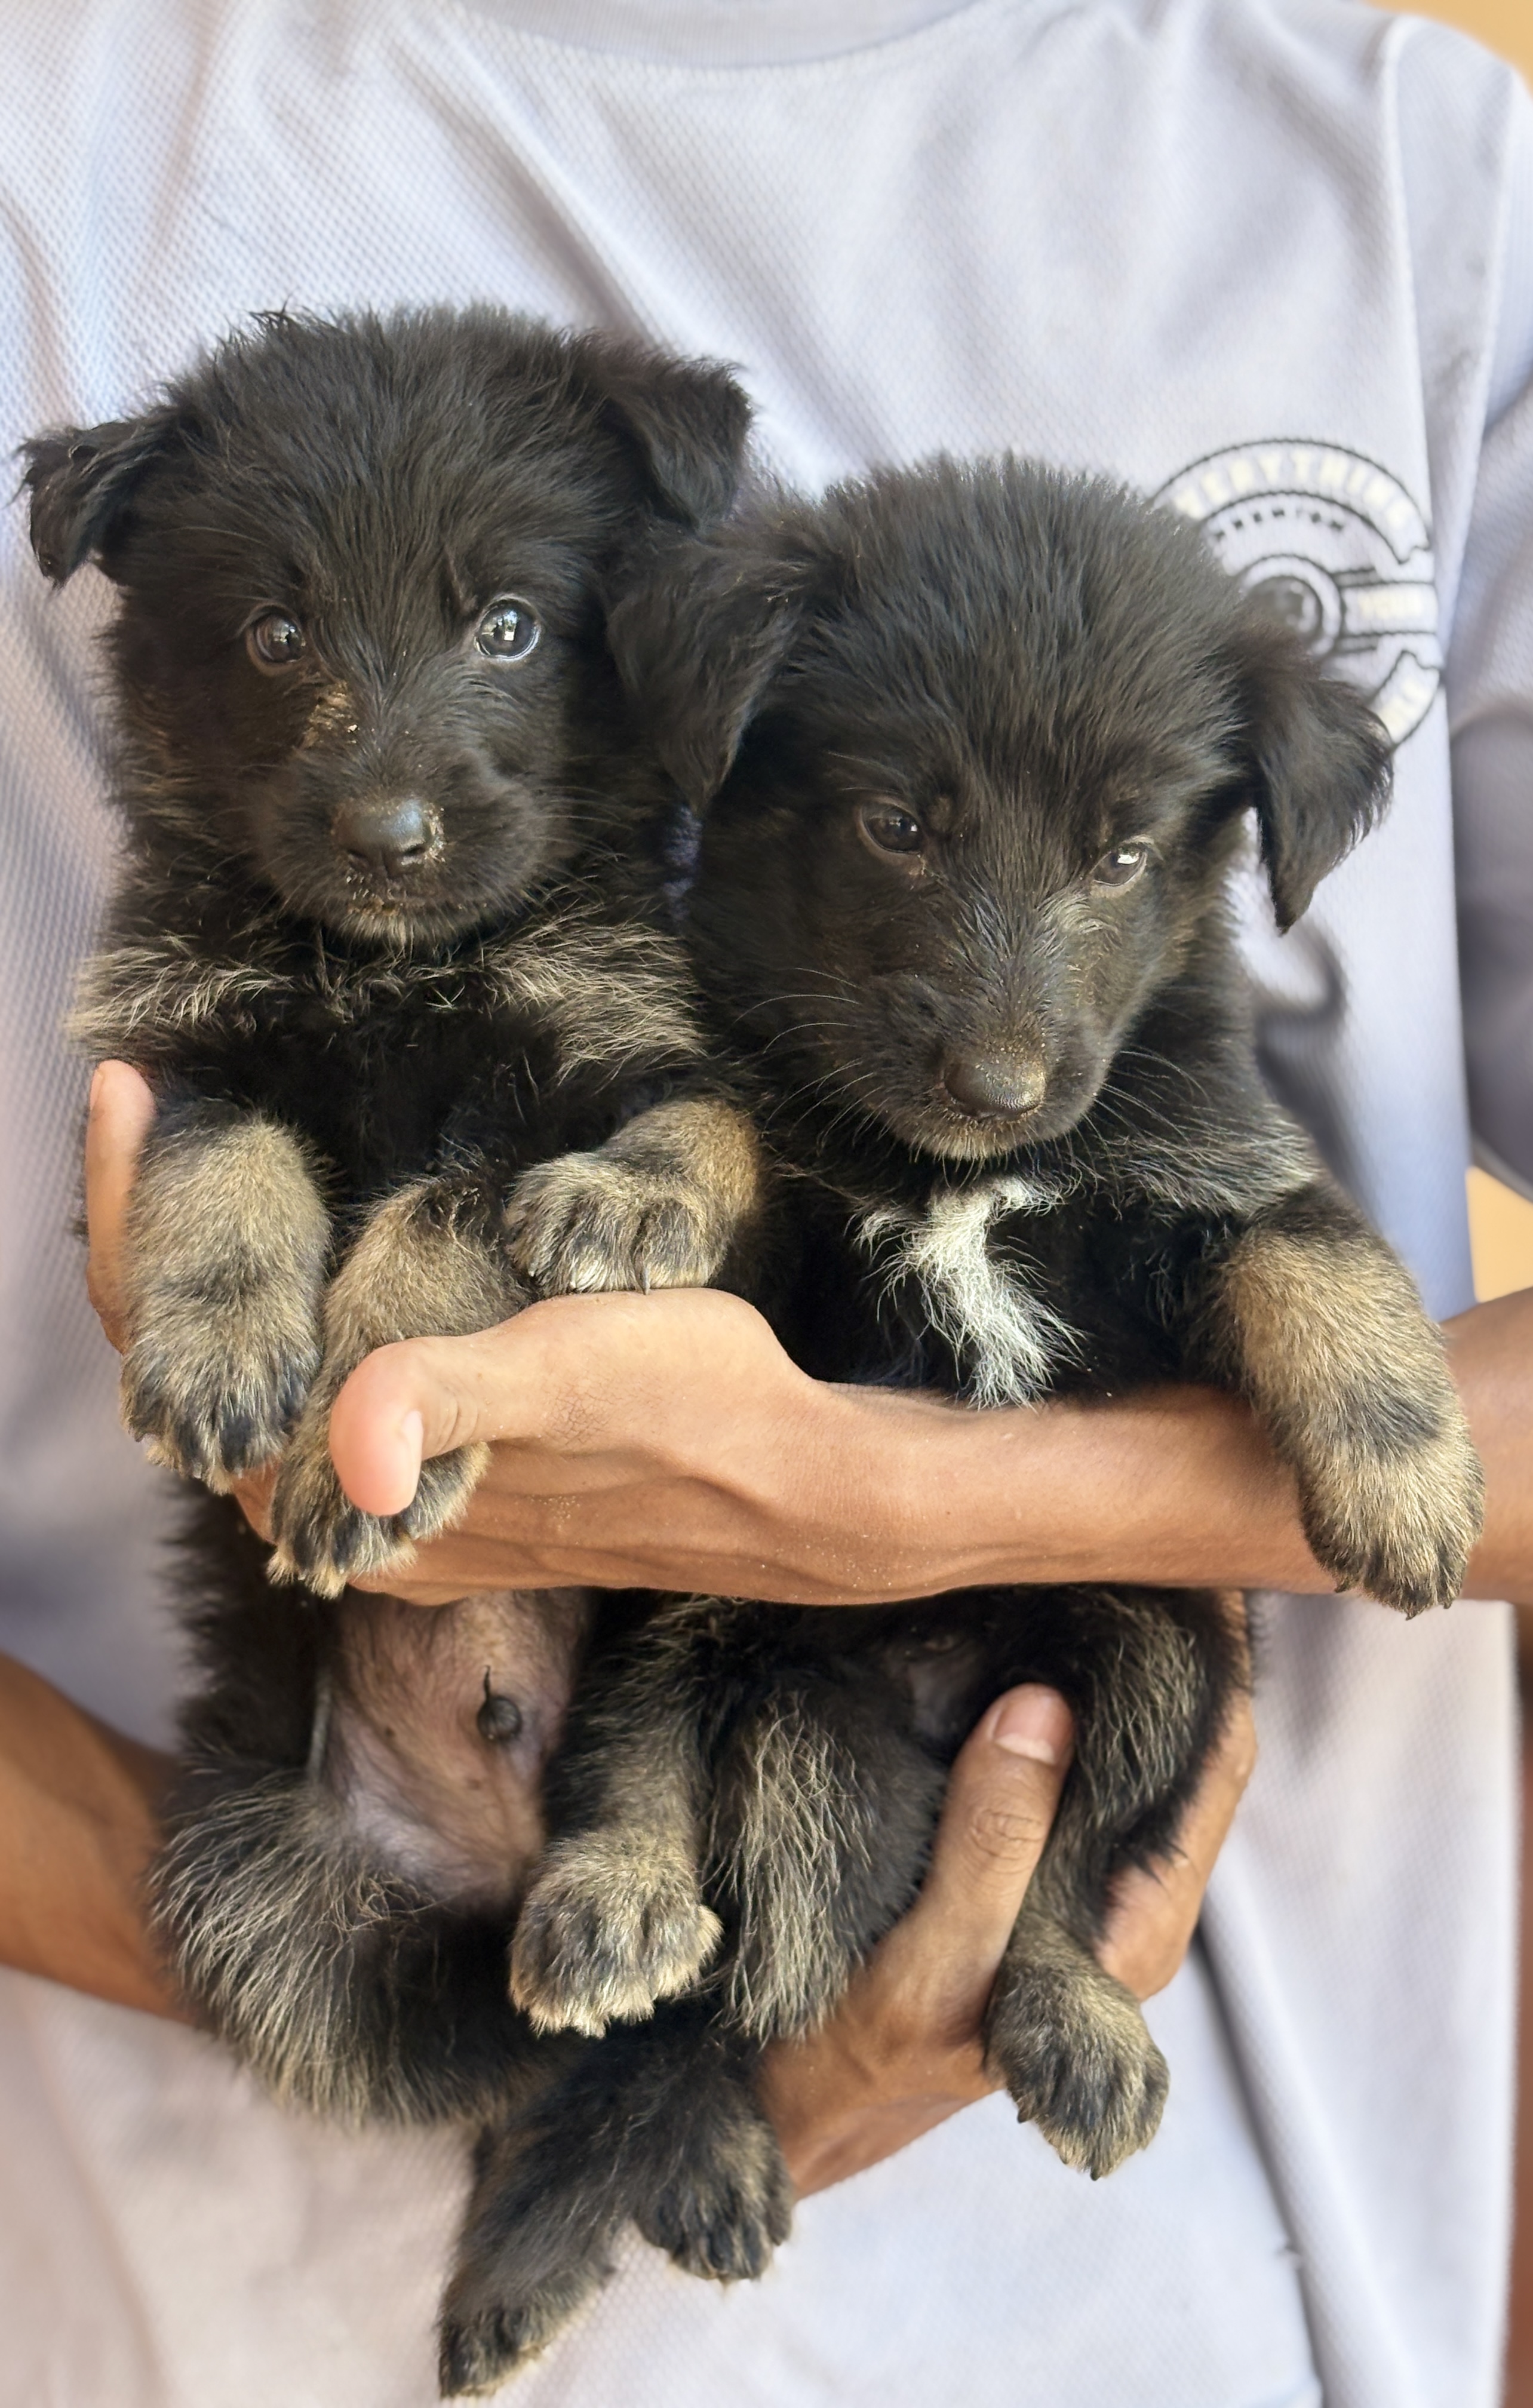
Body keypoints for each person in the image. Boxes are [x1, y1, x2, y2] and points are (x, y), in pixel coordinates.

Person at [2, 2, 1530, 2403]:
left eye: (508, 631)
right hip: (207, 2246)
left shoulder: (1401, 165)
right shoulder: (50, 135)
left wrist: (930, 1505)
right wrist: (388, 1980)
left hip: (1193, 2269)